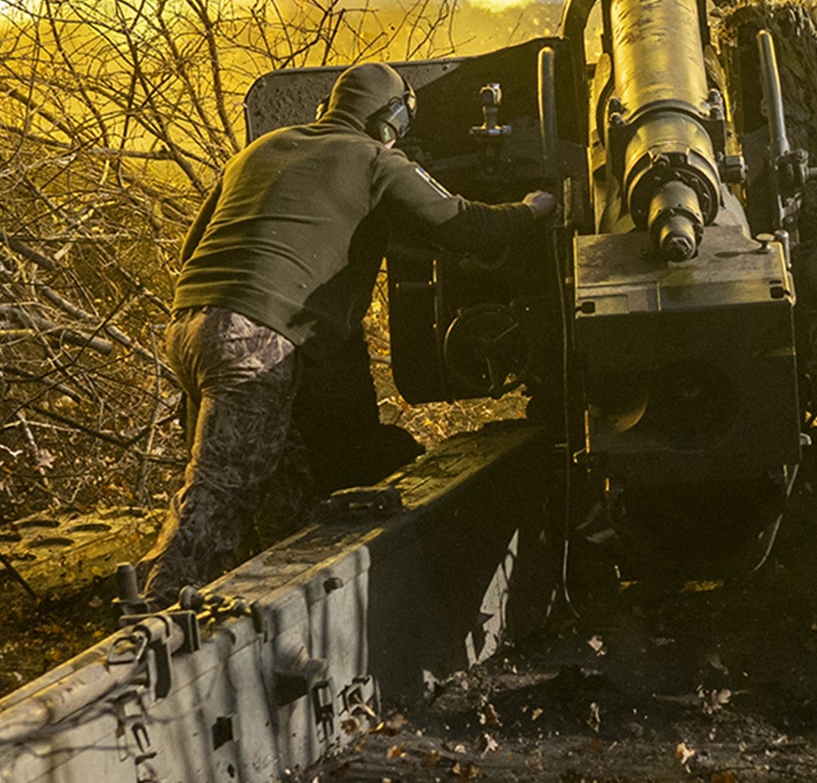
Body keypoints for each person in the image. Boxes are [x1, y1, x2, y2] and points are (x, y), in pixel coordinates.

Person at [141, 60, 556, 601]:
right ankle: (155, 609)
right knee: (223, 486)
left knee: (284, 486)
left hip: (190, 324)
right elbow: (464, 225)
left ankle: (273, 600)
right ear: (390, 119)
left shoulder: (260, 150)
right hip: (257, 339)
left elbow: (191, 248)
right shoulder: (374, 160)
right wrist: (530, 210)